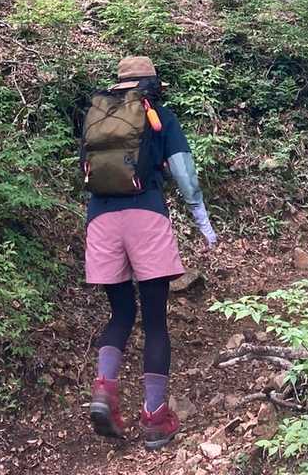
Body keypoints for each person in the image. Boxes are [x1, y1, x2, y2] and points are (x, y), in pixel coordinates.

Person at [82, 55, 217, 449]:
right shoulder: (161, 117)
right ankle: (155, 417)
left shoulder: (97, 117)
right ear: (152, 84)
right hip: (146, 216)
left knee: (121, 313)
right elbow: (185, 175)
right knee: (155, 321)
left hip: (101, 220)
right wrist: (203, 222)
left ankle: (104, 392)